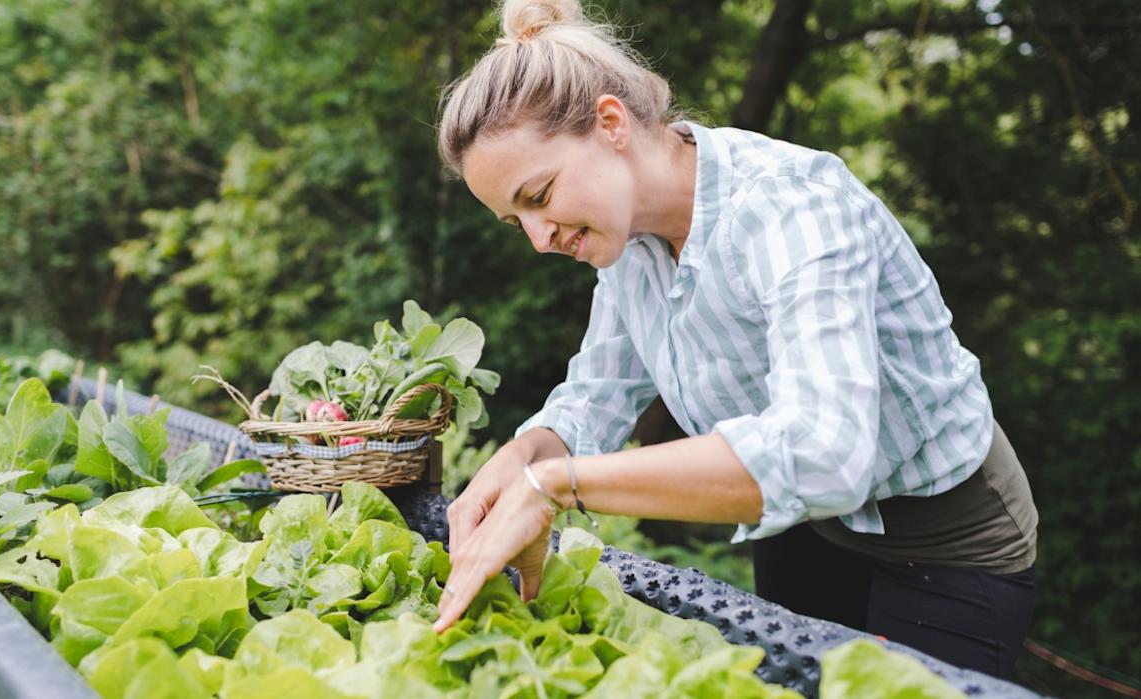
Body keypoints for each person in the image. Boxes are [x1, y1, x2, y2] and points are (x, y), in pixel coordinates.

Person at [432, 0, 1039, 680]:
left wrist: (557, 485)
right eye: (517, 223)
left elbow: (823, 453)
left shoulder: (791, 206)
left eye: (539, 195)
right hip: (803, 525)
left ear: (611, 124)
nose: (541, 240)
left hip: (945, 539)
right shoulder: (626, 243)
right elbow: (593, 397)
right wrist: (522, 459)